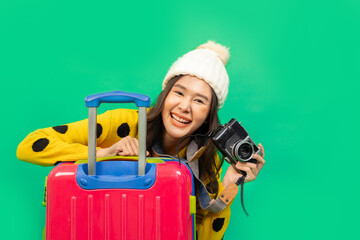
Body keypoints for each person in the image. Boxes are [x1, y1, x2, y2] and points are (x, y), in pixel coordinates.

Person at [17, 41, 265, 239]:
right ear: (165, 95)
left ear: (209, 114)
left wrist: (228, 187)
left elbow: (201, 235)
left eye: (199, 101)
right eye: (178, 92)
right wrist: (105, 153)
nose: (184, 107)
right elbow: (30, 145)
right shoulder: (125, 122)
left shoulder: (205, 157)